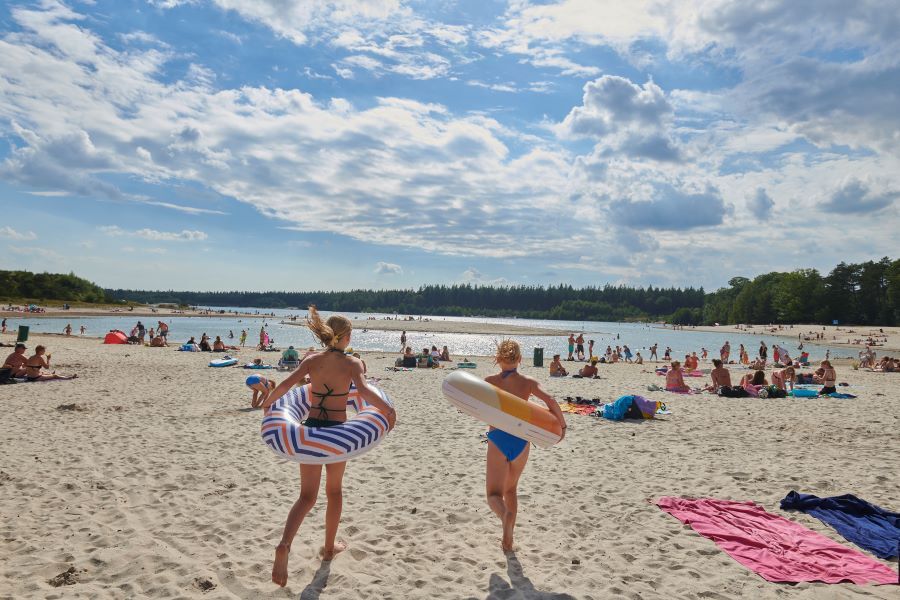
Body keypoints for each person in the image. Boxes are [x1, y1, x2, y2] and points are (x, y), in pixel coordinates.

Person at [260, 306, 395, 587]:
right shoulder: (353, 363)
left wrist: (268, 403)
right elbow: (365, 391)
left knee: (306, 496)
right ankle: (330, 548)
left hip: (309, 430)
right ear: (346, 337)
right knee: (334, 492)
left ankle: (284, 544)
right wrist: (388, 411)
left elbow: (287, 384)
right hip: (337, 435)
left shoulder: (312, 360)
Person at [483, 340, 565, 552]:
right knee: (511, 489)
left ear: (497, 359)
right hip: (521, 441)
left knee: (493, 495)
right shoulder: (528, 382)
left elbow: (475, 404)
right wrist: (562, 426)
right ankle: (508, 541)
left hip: (498, 439)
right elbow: (550, 400)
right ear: (520, 359)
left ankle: (504, 515)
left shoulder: (489, 381)